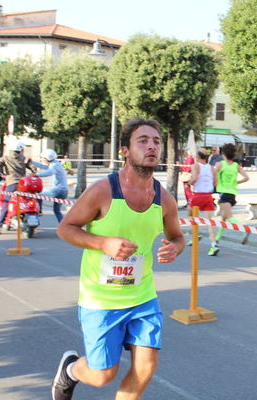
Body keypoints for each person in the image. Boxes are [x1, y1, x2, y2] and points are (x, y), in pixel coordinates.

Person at [53, 117, 185, 400]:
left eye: (156, 141)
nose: (152, 147)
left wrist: (175, 247)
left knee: (146, 366)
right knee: (102, 375)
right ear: (124, 150)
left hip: (143, 296)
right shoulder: (103, 191)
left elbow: (178, 236)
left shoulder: (164, 198)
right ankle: (71, 370)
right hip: (101, 300)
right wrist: (102, 243)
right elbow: (65, 228)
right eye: (143, 141)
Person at [211, 143, 249, 256]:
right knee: (223, 217)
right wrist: (236, 182)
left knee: (229, 216)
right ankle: (217, 239)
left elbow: (213, 176)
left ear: (223, 154)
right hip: (232, 193)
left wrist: (216, 184)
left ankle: (244, 230)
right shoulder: (236, 166)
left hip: (223, 193)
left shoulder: (219, 164)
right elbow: (246, 177)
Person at [0, 140, 36, 235]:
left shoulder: (6, 158)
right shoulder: (23, 158)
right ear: (20, 150)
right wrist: (32, 171)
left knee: (6, 203)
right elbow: (31, 167)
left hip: (11, 184)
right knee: (29, 200)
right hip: (24, 184)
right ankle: (34, 219)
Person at [187, 150, 218, 255]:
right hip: (208, 196)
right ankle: (214, 245)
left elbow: (194, 178)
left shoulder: (195, 166)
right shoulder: (211, 168)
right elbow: (215, 183)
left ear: (197, 156)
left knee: (190, 215)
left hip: (198, 195)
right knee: (210, 222)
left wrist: (188, 182)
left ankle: (195, 235)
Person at [32, 149, 68, 223]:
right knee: (57, 211)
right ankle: (63, 226)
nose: (42, 160)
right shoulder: (55, 163)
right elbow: (43, 167)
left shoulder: (54, 165)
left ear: (47, 158)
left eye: (43, 158)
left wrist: (37, 175)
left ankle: (39, 211)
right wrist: (32, 162)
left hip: (58, 191)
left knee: (38, 194)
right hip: (63, 191)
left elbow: (49, 172)